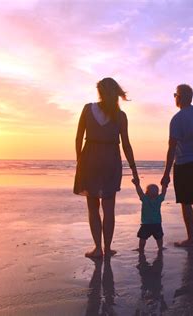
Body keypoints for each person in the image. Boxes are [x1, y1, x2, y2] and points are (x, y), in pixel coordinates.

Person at [74, 77, 139, 258]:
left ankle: (97, 248)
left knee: (93, 207)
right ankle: (108, 248)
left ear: (100, 92)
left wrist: (80, 161)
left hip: (90, 159)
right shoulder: (121, 116)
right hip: (111, 159)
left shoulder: (88, 109)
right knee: (109, 208)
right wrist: (134, 169)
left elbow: (79, 138)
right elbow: (126, 144)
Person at [161, 84, 193, 247]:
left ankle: (191, 238)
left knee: (186, 201)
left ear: (180, 97)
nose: (175, 98)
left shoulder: (177, 118)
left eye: (175, 95)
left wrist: (166, 173)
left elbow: (172, 147)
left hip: (184, 164)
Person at [132, 178, 166, 252]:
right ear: (157, 193)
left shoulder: (145, 199)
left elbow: (140, 192)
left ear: (146, 192)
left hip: (146, 224)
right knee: (159, 237)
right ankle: (160, 247)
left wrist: (137, 185)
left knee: (142, 237)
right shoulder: (159, 199)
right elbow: (163, 193)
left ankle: (141, 248)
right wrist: (164, 185)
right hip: (157, 223)